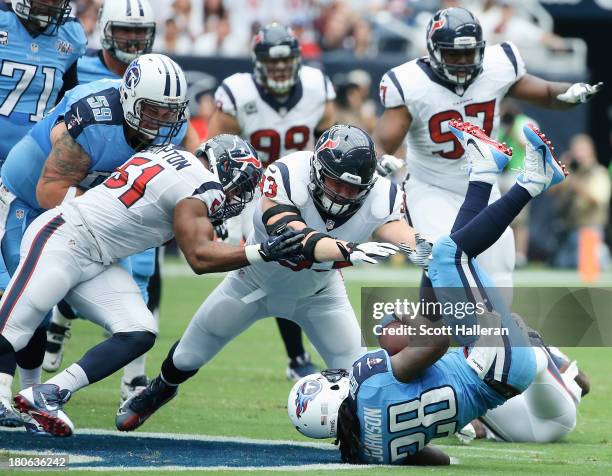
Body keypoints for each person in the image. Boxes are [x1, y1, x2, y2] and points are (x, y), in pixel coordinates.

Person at [115, 124, 437, 433]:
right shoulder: (287, 174)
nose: (340, 194)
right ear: (316, 169)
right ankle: (161, 389)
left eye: (351, 188)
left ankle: (368, 431)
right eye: (335, 183)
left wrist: (420, 244)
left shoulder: (381, 195)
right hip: (252, 282)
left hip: (319, 293)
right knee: (189, 354)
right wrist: (348, 250)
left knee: (359, 375)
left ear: (366, 187)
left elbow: (394, 227)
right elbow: (298, 240)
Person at [287, 119, 569, 464]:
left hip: (502, 379)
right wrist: (402, 320)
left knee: (440, 268)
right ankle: (533, 181)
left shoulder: (365, 452)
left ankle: (482, 170)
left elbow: (439, 460)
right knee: (447, 257)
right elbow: (435, 343)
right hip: (490, 360)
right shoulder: (366, 382)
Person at [3, 136, 304, 437]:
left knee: (138, 331)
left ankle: (51, 392)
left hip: (99, 258)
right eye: (238, 186)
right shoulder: (203, 184)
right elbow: (199, 258)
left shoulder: (169, 156)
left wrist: (206, 218)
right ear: (223, 168)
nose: (237, 196)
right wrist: (261, 251)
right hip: (63, 239)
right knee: (11, 333)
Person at [0, 53, 190, 428]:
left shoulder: (171, 132)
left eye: (171, 112)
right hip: (28, 203)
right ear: (131, 98)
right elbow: (48, 190)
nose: (163, 121)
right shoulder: (94, 116)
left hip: (92, 231)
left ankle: (38, 397)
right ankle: (7, 391)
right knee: (21, 304)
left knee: (137, 328)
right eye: (154, 110)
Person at [375, 6, 602, 290]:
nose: (461, 62)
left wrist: (567, 93)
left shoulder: (497, 67)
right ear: (433, 51)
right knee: (445, 257)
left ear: (481, 49)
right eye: (452, 54)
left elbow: (544, 91)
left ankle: (493, 330)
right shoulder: (412, 84)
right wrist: (381, 158)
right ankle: (441, 329)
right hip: (432, 186)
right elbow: (384, 141)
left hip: (482, 184)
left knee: (499, 269)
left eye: (468, 53)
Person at [42, 0, 198, 404]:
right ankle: (59, 321)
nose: (131, 39)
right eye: (124, 30)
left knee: (143, 275)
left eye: (138, 31)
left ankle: (134, 377)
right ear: (106, 29)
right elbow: (54, 122)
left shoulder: (161, 79)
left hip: (135, 196)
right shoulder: (81, 66)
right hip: (84, 184)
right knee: (68, 266)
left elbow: (187, 139)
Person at [207, 22, 336, 381]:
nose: (280, 68)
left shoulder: (316, 86)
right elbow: (214, 150)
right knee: (277, 265)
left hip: (302, 191)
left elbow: (330, 139)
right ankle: (297, 357)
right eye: (272, 62)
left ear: (296, 60)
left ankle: (302, 356)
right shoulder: (237, 92)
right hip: (253, 193)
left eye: (285, 61)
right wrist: (217, 201)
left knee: (301, 267)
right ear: (258, 63)